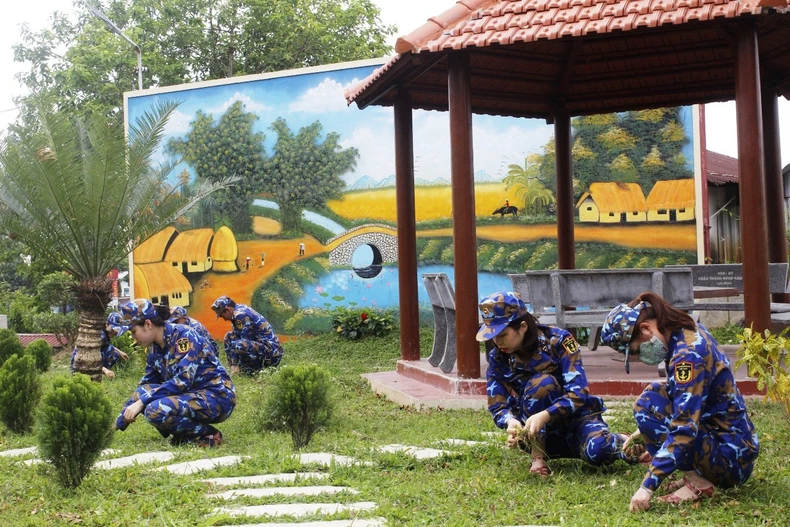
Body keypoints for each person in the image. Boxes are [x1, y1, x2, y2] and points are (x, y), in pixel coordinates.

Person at [600, 292, 759, 512]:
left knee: (647, 405)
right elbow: (683, 399)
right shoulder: (684, 331)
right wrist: (645, 432)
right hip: (729, 446)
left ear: (646, 329)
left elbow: (684, 426)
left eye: (636, 351)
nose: (640, 358)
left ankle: (699, 483)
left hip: (730, 460)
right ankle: (695, 476)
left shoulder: (688, 355)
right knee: (653, 394)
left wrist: (647, 487)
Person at [477, 292, 640, 477]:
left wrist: (545, 415)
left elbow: (578, 394)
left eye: (502, 334)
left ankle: (623, 441)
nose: (497, 342)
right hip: (537, 433)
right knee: (541, 383)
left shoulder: (560, 341)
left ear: (522, 327)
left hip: (578, 422)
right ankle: (538, 457)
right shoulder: (498, 359)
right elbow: (498, 406)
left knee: (598, 451)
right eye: (493, 336)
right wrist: (511, 422)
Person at [115, 300, 236, 447]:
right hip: (192, 395)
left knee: (154, 409)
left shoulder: (184, 336)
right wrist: (119, 423)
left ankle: (209, 434)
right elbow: (145, 385)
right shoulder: (155, 348)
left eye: (133, 332)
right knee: (142, 393)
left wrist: (142, 402)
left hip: (217, 396)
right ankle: (185, 435)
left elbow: (182, 381)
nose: (133, 338)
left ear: (148, 324)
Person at [211, 295, 283, 375]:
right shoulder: (237, 312)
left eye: (221, 315)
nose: (223, 318)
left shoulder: (241, 315)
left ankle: (249, 370)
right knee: (228, 337)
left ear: (227, 310)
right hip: (261, 348)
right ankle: (237, 369)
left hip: (272, 353)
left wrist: (235, 364)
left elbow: (243, 342)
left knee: (240, 344)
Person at [70, 312, 130, 380]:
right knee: (111, 351)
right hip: (81, 364)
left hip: (89, 360)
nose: (115, 332)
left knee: (114, 353)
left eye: (118, 330)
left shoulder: (104, 333)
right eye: (115, 329)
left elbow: (106, 344)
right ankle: (96, 371)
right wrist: (105, 370)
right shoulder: (99, 335)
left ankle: (98, 372)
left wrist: (120, 352)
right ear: (107, 324)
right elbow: (89, 357)